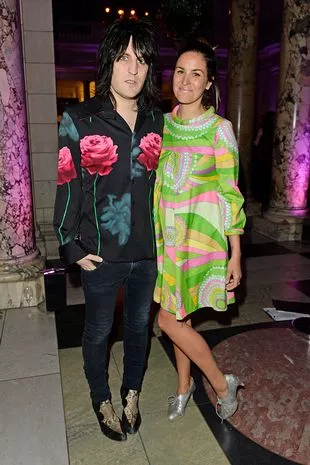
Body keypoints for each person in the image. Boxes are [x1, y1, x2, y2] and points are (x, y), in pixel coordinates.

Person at [53, 18, 163, 441]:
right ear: (108, 63)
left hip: (145, 253)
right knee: (98, 331)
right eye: (122, 58)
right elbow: (67, 182)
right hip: (98, 251)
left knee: (138, 328)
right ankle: (101, 397)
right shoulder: (80, 119)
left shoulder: (158, 122)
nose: (132, 69)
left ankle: (131, 390)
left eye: (140, 60)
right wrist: (70, 245)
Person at [154, 39, 246, 422]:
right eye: (180, 71)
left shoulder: (219, 129)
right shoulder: (162, 125)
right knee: (180, 316)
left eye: (196, 74)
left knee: (166, 320)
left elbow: (230, 193)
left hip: (200, 240)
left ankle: (222, 385)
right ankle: (183, 386)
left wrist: (236, 253)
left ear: (209, 83)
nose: (186, 81)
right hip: (167, 239)